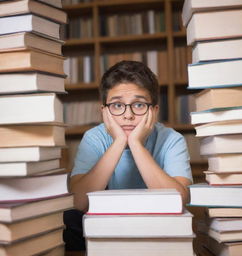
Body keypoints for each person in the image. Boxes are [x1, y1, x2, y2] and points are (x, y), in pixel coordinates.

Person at [63, 60, 193, 251]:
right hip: (107, 223)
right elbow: (78, 201)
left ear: (154, 111)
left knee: (182, 223)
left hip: (156, 221)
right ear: (104, 112)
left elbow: (178, 199)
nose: (128, 115)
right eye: (117, 106)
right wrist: (118, 143)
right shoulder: (94, 138)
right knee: (68, 221)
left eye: (139, 105)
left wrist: (135, 144)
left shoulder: (172, 139)